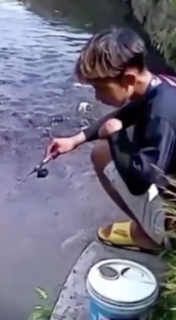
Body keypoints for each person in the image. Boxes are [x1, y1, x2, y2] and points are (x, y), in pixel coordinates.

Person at [46, 28, 176, 254]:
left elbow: (140, 183)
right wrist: (76, 140)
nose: (97, 97)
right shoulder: (163, 87)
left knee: (102, 153)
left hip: (173, 228)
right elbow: (127, 113)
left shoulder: (161, 115)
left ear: (128, 79)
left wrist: (117, 137)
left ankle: (155, 237)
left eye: (100, 88)